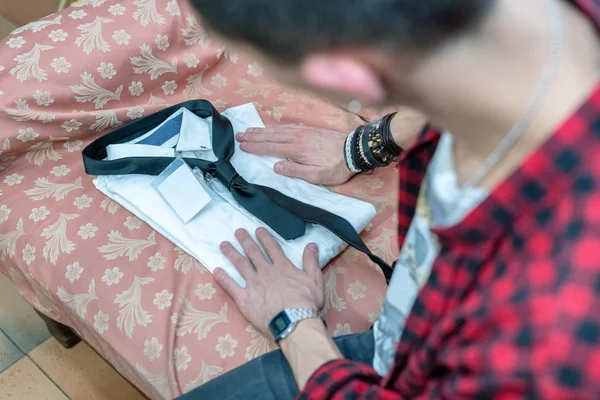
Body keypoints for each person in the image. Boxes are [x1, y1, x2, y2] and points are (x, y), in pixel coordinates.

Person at [181, 0, 600, 398]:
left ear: (349, 78)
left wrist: (293, 321)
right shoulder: (536, 30)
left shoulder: (548, 346)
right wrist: (365, 145)